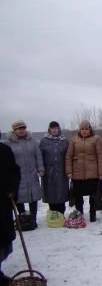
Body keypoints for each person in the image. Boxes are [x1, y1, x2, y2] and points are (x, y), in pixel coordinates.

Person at [4, 120, 44, 228]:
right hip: (17, 175)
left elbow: (38, 155)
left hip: (31, 173)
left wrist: (40, 168)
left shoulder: (31, 141)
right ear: (14, 130)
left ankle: (33, 219)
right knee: (19, 197)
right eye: (19, 129)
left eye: (23, 128)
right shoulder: (8, 143)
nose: (22, 131)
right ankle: (22, 219)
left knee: (33, 196)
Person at [66, 120, 102, 222]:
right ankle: (79, 214)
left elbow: (101, 156)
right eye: (82, 129)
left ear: (90, 129)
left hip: (92, 173)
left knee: (93, 196)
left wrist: (101, 172)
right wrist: (69, 171)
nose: (84, 131)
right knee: (78, 196)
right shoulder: (74, 140)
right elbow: (69, 156)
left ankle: (93, 214)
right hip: (77, 173)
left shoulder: (96, 139)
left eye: (86, 129)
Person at [0, 141, 21, 284]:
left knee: (2, 237)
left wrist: (13, 189)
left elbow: (14, 171)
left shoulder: (4, 150)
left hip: (1, 202)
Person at [39, 121, 69, 215]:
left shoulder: (64, 140)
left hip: (61, 170)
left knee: (61, 191)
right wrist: (41, 168)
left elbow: (68, 155)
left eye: (56, 128)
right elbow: (40, 155)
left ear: (58, 129)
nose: (54, 130)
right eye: (52, 128)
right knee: (50, 192)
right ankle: (53, 212)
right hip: (49, 170)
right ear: (49, 129)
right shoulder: (44, 140)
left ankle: (61, 212)